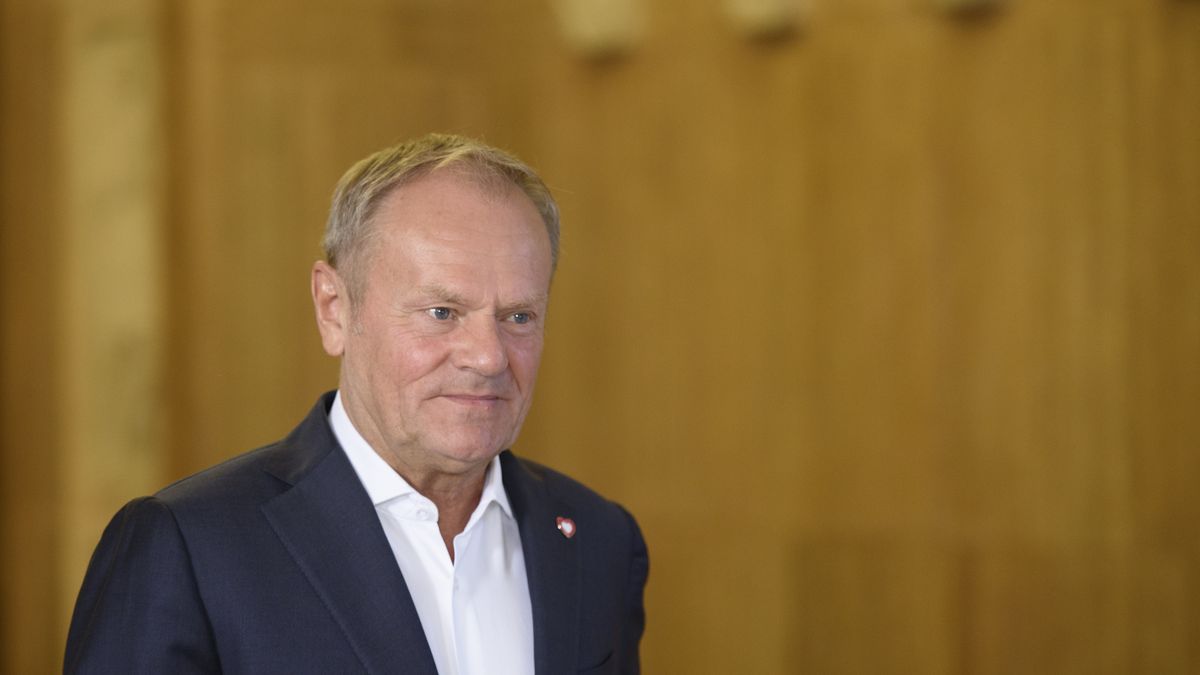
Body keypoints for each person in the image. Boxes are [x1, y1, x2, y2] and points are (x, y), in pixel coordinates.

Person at [64, 133, 649, 674]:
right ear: (334, 308)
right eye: (441, 313)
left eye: (518, 316)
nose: (489, 357)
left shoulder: (598, 541)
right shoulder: (189, 548)